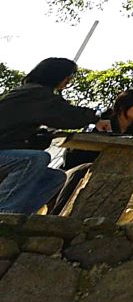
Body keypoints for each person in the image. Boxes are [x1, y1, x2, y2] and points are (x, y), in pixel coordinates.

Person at [0, 57, 91, 214]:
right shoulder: (37, 94)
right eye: (68, 77)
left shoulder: (31, 93)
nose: (69, 82)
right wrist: (96, 117)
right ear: (57, 75)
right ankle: (5, 212)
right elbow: (68, 117)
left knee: (55, 177)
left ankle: (20, 217)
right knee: (36, 158)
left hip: (6, 151)